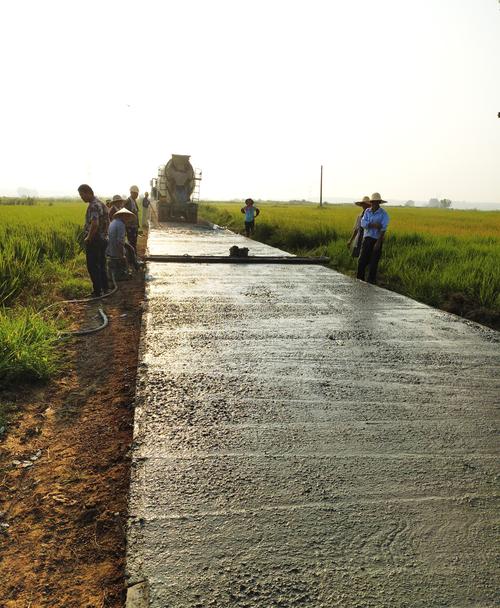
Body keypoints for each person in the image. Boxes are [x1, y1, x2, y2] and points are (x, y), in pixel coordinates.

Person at [78, 184, 110, 297]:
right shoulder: (101, 203)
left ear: (88, 193)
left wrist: (88, 238)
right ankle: (105, 288)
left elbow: (95, 224)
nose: (81, 197)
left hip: (95, 240)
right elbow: (107, 222)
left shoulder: (93, 206)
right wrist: (105, 234)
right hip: (103, 239)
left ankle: (97, 291)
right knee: (101, 264)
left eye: (82, 195)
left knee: (92, 266)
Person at [357, 192, 390, 284]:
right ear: (371, 202)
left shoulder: (384, 214)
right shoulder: (367, 211)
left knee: (374, 262)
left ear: (379, 202)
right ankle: (359, 280)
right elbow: (363, 224)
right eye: (373, 202)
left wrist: (378, 243)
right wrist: (373, 224)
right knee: (362, 261)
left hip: (377, 239)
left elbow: (383, 229)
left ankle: (371, 281)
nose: (375, 204)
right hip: (367, 239)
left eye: (377, 202)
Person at [106, 207, 135, 280]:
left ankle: (124, 270)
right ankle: (124, 273)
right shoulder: (121, 225)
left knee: (130, 248)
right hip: (115, 249)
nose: (128, 219)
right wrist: (121, 255)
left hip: (110, 249)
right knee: (127, 253)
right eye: (127, 216)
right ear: (123, 216)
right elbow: (120, 242)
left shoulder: (114, 222)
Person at [124, 185, 140, 251]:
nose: (137, 195)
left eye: (137, 194)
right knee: (131, 243)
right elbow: (126, 214)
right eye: (136, 193)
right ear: (131, 193)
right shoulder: (128, 202)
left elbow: (136, 213)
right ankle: (131, 258)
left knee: (134, 242)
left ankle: (133, 257)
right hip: (130, 226)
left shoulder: (134, 201)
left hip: (134, 226)